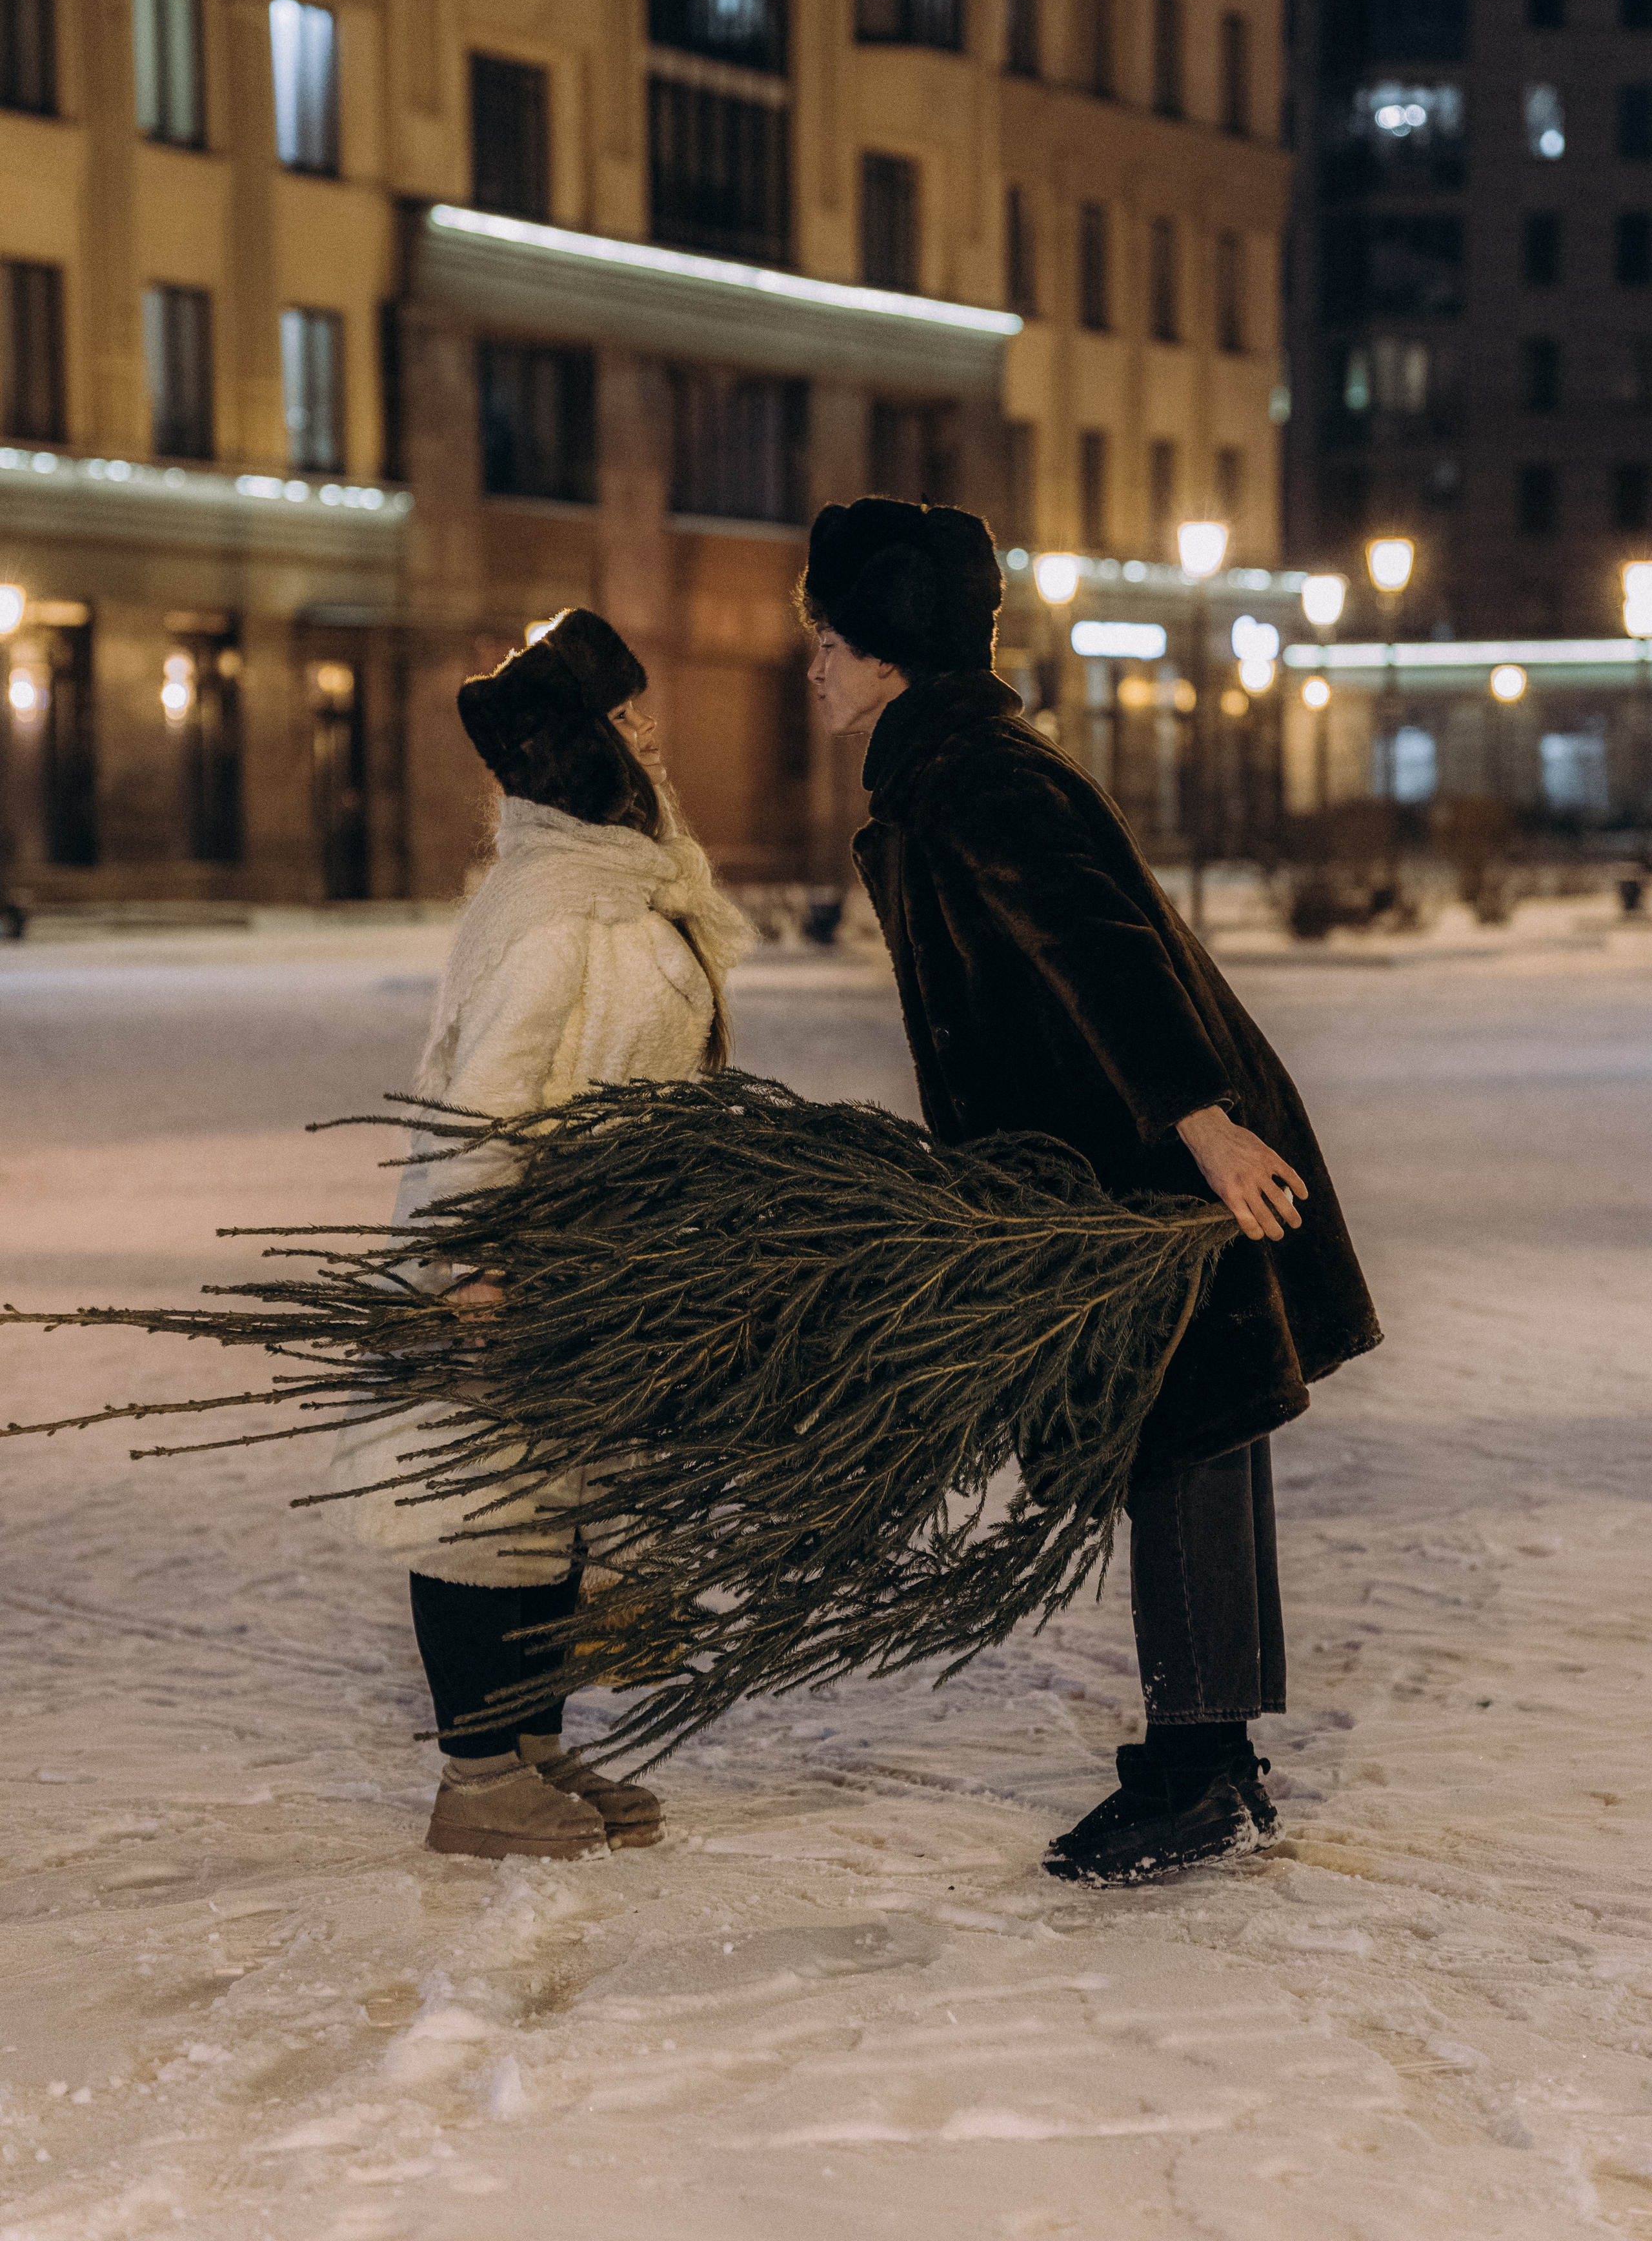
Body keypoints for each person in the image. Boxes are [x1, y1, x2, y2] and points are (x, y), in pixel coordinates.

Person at [800, 498, 1380, 1886]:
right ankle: (1215, 1754)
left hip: (1142, 1159)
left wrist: (1201, 1126)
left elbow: (1102, 952)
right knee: (1200, 1433)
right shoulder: (951, 766)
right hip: (1118, 1155)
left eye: (823, 637)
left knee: (1177, 1435)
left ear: (883, 650)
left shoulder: (972, 780)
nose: (807, 663)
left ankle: (1190, 1769)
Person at [325, 610, 752, 1862]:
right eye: (632, 720)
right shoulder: (560, 908)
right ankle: (476, 1780)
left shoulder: (615, 889)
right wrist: (470, 1260)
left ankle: (530, 1750)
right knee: (480, 1507)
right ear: (601, 742)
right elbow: (487, 1101)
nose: (652, 740)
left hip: (596, 1264)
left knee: (552, 1511)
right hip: (513, 1263)